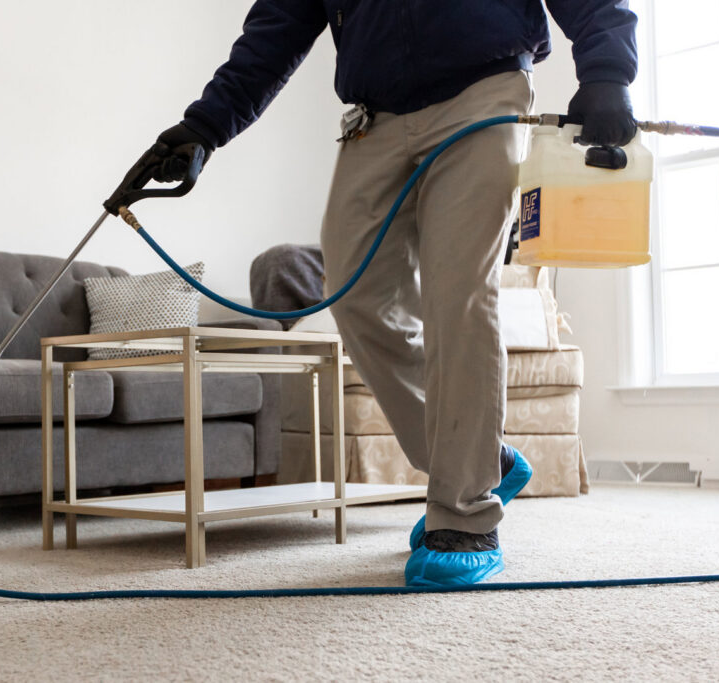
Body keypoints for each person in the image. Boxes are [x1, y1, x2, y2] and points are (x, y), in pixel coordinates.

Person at [140, 1, 638, 586]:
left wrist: (607, 71)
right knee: (356, 297)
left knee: (458, 292)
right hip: (373, 116)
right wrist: (205, 126)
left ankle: (465, 513)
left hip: (483, 89)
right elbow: (277, 25)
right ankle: (485, 460)